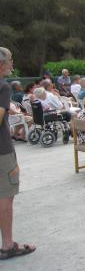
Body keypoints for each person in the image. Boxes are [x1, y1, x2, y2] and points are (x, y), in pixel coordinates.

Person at [0, 47, 36, 260]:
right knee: (5, 195)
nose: (12, 64)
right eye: (10, 60)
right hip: (2, 152)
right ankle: (7, 245)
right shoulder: (3, 87)